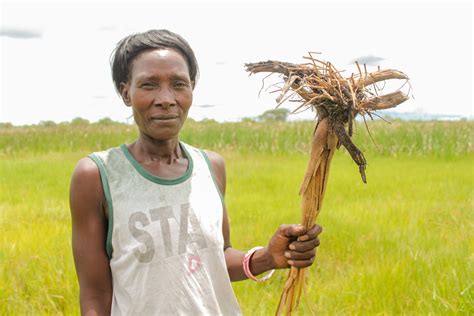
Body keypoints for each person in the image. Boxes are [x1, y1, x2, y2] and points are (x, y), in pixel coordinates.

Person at [70, 29, 322, 315]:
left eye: (178, 84)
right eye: (149, 85)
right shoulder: (97, 176)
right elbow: (95, 296)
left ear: (191, 88)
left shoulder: (210, 166)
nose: (166, 98)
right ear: (125, 92)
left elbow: (217, 257)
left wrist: (267, 257)